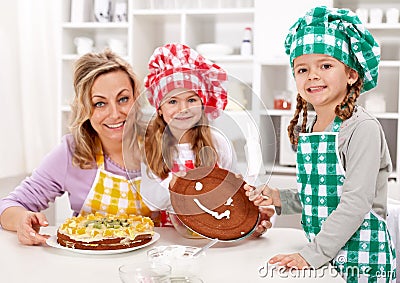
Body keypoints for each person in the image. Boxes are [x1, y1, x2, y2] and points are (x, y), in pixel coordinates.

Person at [245, 6, 396, 282]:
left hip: (361, 261)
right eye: (302, 69)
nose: (312, 75)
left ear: (351, 74)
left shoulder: (362, 129)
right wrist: (280, 197)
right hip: (326, 257)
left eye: (326, 65)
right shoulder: (314, 128)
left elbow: (354, 203)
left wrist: (310, 255)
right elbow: (321, 196)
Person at [0, 49, 155, 245]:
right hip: (88, 267)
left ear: (136, 98)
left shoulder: (160, 144)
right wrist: (22, 220)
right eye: (100, 104)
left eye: (123, 99)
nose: (115, 114)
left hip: (151, 266)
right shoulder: (71, 152)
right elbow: (9, 206)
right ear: (84, 108)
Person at [140, 43, 273, 236]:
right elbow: (150, 202)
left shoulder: (218, 143)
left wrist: (249, 223)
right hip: (170, 238)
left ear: (203, 104)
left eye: (191, 100)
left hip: (214, 234)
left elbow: (234, 192)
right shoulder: (151, 147)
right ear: (159, 108)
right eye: (173, 101)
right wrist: (174, 186)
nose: (183, 109)